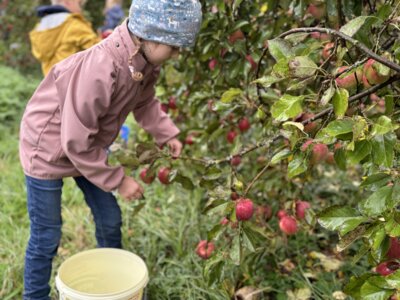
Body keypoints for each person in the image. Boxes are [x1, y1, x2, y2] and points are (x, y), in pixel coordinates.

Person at [19, 0, 202, 298]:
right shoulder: (101, 69)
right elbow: (74, 140)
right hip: (47, 147)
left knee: (109, 217)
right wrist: (119, 179)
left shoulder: (145, 63)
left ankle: (112, 279)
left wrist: (165, 133)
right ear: (147, 36)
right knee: (46, 235)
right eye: (174, 46)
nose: (177, 54)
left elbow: (145, 103)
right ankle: (34, 295)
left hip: (85, 146)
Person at [29, 0, 100, 76]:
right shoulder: (74, 24)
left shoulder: (40, 27)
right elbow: (99, 51)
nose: (80, 9)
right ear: (68, 1)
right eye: (79, 4)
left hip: (51, 84)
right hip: (73, 83)